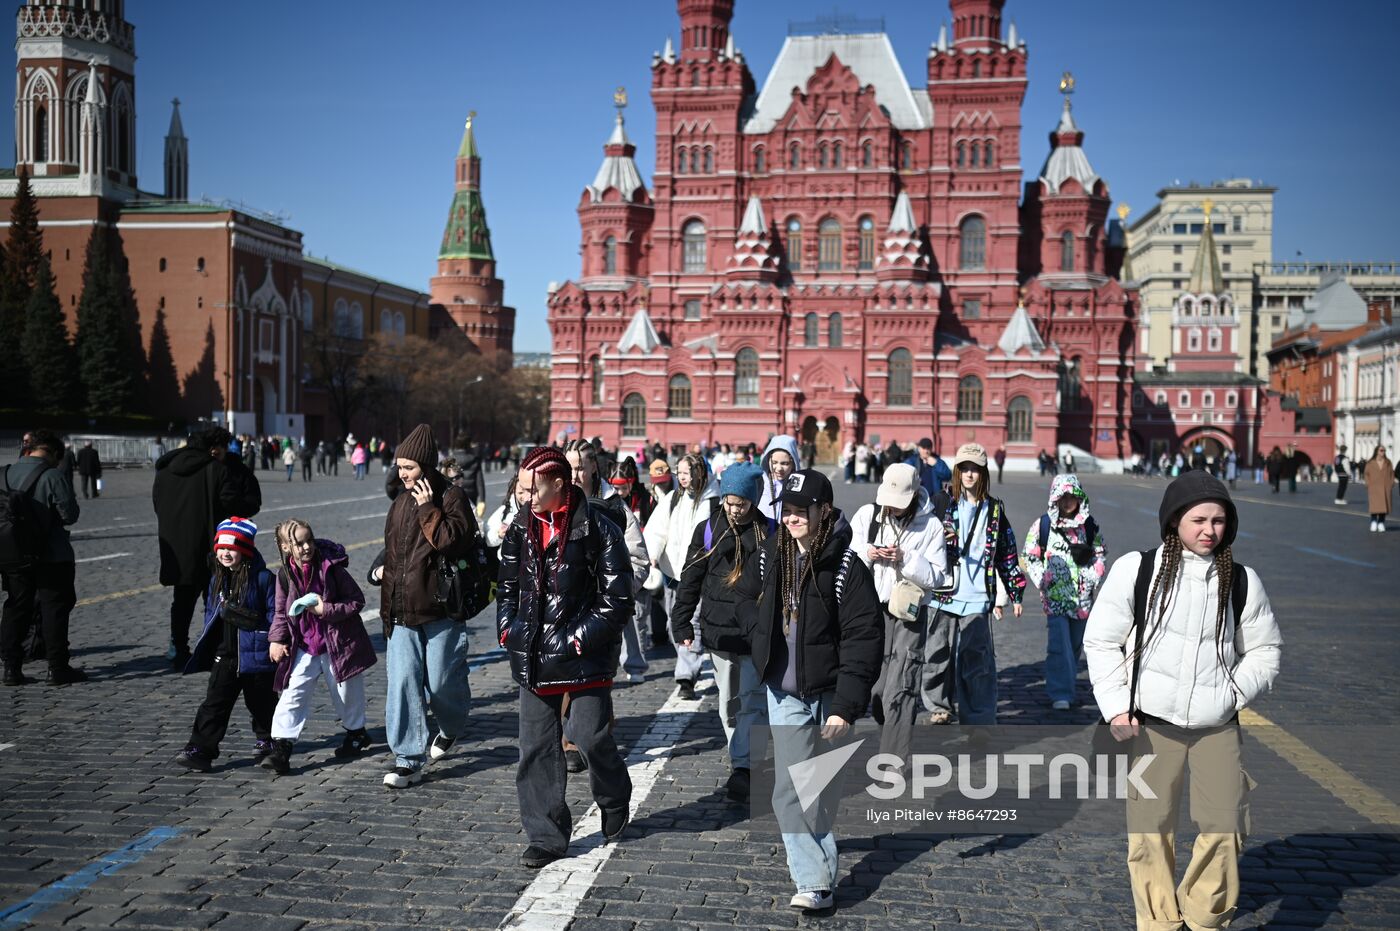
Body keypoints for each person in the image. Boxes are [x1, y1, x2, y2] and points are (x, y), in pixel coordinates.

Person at [1084, 470, 1281, 931]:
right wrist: (1115, 705)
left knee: (1225, 826)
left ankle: (1204, 918)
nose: (1209, 530)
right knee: (1149, 832)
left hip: (1217, 725)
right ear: (1174, 521)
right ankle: (1158, 922)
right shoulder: (1139, 570)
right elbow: (1100, 641)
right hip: (1150, 722)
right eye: (1198, 519)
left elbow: (1266, 649)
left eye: (1218, 520)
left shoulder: (1242, 581)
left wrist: (1233, 691)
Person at [734, 469, 882, 912]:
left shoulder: (847, 569)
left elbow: (864, 638)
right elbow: (741, 599)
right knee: (791, 788)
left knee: (822, 788)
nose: (793, 518)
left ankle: (818, 866)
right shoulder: (769, 556)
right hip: (785, 693)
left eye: (802, 510)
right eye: (788, 510)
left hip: (831, 695)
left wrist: (846, 707)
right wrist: (760, 633)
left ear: (824, 511)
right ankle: (814, 880)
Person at [497, 446, 633, 869]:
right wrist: (508, 630)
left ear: (559, 484)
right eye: (522, 490)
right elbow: (505, 589)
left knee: (590, 736)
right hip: (535, 655)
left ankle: (614, 795)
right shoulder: (520, 527)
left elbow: (617, 599)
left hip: (583, 656)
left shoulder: (599, 527)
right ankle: (546, 835)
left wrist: (576, 640)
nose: (526, 498)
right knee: (535, 748)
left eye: (533, 489)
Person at [372, 424, 474, 789]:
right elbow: (394, 551)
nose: (402, 474)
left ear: (427, 467)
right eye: (399, 467)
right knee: (402, 683)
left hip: (441, 610)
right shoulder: (399, 503)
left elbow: (452, 543)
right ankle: (407, 758)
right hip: (402, 611)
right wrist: (376, 571)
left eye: (409, 467)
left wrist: (428, 506)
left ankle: (452, 725)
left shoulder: (451, 498)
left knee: (443, 682)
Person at [670, 461, 768, 802]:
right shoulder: (708, 529)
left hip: (757, 635)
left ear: (754, 501)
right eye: (729, 502)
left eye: (741, 503)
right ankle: (741, 756)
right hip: (720, 633)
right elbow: (690, 577)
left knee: (753, 702)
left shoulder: (770, 532)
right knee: (728, 703)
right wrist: (681, 620)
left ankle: (745, 767)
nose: (734, 510)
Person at [848, 462, 949, 762]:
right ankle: (886, 720)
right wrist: (869, 552)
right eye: (889, 503)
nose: (892, 509)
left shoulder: (931, 526)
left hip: (909, 613)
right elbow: (848, 553)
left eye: (898, 504)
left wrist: (905, 559)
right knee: (874, 686)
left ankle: (894, 760)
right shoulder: (868, 515)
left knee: (902, 686)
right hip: (869, 609)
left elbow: (938, 577)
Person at [264, 519, 377, 775]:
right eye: (299, 543)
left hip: (337, 643)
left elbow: (356, 601)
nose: (306, 547)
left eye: (309, 541)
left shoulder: (331, 568)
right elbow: (281, 611)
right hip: (304, 645)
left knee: (347, 693)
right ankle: (281, 747)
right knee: (293, 694)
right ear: (284, 547)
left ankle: (356, 733)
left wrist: (326, 610)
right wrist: (277, 639)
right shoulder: (285, 574)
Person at [925, 443, 1026, 724]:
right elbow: (922, 543)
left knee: (977, 661)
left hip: (978, 594)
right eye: (964, 469)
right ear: (957, 472)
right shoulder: (941, 503)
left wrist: (1015, 592)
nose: (969, 475)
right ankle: (938, 707)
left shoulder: (994, 510)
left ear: (983, 473)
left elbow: (1006, 552)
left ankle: (978, 717)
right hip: (943, 592)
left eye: (975, 469)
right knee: (937, 654)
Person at [153, 426, 262, 669]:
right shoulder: (216, 470)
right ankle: (212, 649)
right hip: (212, 547)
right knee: (215, 599)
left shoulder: (164, 469)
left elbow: (157, 504)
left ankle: (177, 648)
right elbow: (233, 503)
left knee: (181, 600)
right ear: (214, 449)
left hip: (178, 546)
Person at [173, 518, 276, 772]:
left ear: (245, 550)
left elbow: (276, 613)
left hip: (255, 655)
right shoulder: (216, 579)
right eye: (221, 547)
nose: (226, 553)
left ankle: (269, 742)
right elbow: (211, 612)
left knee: (262, 703)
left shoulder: (263, 578)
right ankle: (201, 748)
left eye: (233, 548)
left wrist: (275, 641)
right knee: (214, 704)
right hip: (225, 656)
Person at [564, 441, 650, 699]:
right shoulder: (555, 501)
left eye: (579, 468)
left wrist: (613, 596)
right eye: (568, 468)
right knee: (564, 690)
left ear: (592, 467)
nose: (573, 476)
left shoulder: (614, 506)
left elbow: (639, 560)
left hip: (601, 617)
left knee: (594, 695)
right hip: (563, 615)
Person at [0, 430, 85, 686]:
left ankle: (11, 668)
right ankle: (57, 667)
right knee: (54, 609)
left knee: (15, 607)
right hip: (52, 555)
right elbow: (69, 514)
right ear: (54, 453)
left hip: (12, 554)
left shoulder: (3, 474)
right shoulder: (53, 475)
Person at [1020, 474, 1108, 710]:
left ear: (1080, 498)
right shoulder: (1043, 525)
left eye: (1072, 496)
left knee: (1075, 645)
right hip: (1055, 597)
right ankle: (1062, 693)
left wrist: (1093, 577)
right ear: (1055, 499)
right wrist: (1042, 579)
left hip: (1082, 599)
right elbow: (1029, 555)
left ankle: (1065, 683)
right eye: (1063, 497)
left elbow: (1099, 553)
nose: (1068, 501)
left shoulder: (1089, 525)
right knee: (1060, 645)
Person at [643, 452, 717, 700]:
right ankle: (699, 656)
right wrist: (652, 555)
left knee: (690, 622)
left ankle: (686, 676)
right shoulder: (674, 498)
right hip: (672, 573)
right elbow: (657, 530)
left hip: (698, 576)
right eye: (680, 473)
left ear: (698, 472)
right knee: (672, 622)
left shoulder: (712, 501)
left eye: (686, 473)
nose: (682, 478)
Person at [756, 435, 801, 533]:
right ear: (767, 460)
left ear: (793, 463)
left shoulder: (798, 486)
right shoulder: (759, 482)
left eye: (785, 463)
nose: (779, 468)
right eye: (774, 462)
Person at [449, 435, 489, 519]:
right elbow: (479, 482)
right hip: (471, 495)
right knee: (469, 518)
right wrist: (482, 500)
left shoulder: (450, 460)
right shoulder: (474, 459)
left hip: (453, 494)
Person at [1364, 445, 1395, 532]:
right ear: (1377, 451)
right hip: (1374, 488)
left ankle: (1381, 522)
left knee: (1384, 506)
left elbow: (1391, 473)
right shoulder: (1370, 463)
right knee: (1374, 506)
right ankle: (1373, 521)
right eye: (1381, 450)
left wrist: (1391, 483)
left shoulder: (1388, 462)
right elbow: (1366, 474)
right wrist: (1368, 484)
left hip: (1385, 487)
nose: (1383, 452)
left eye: (1384, 451)